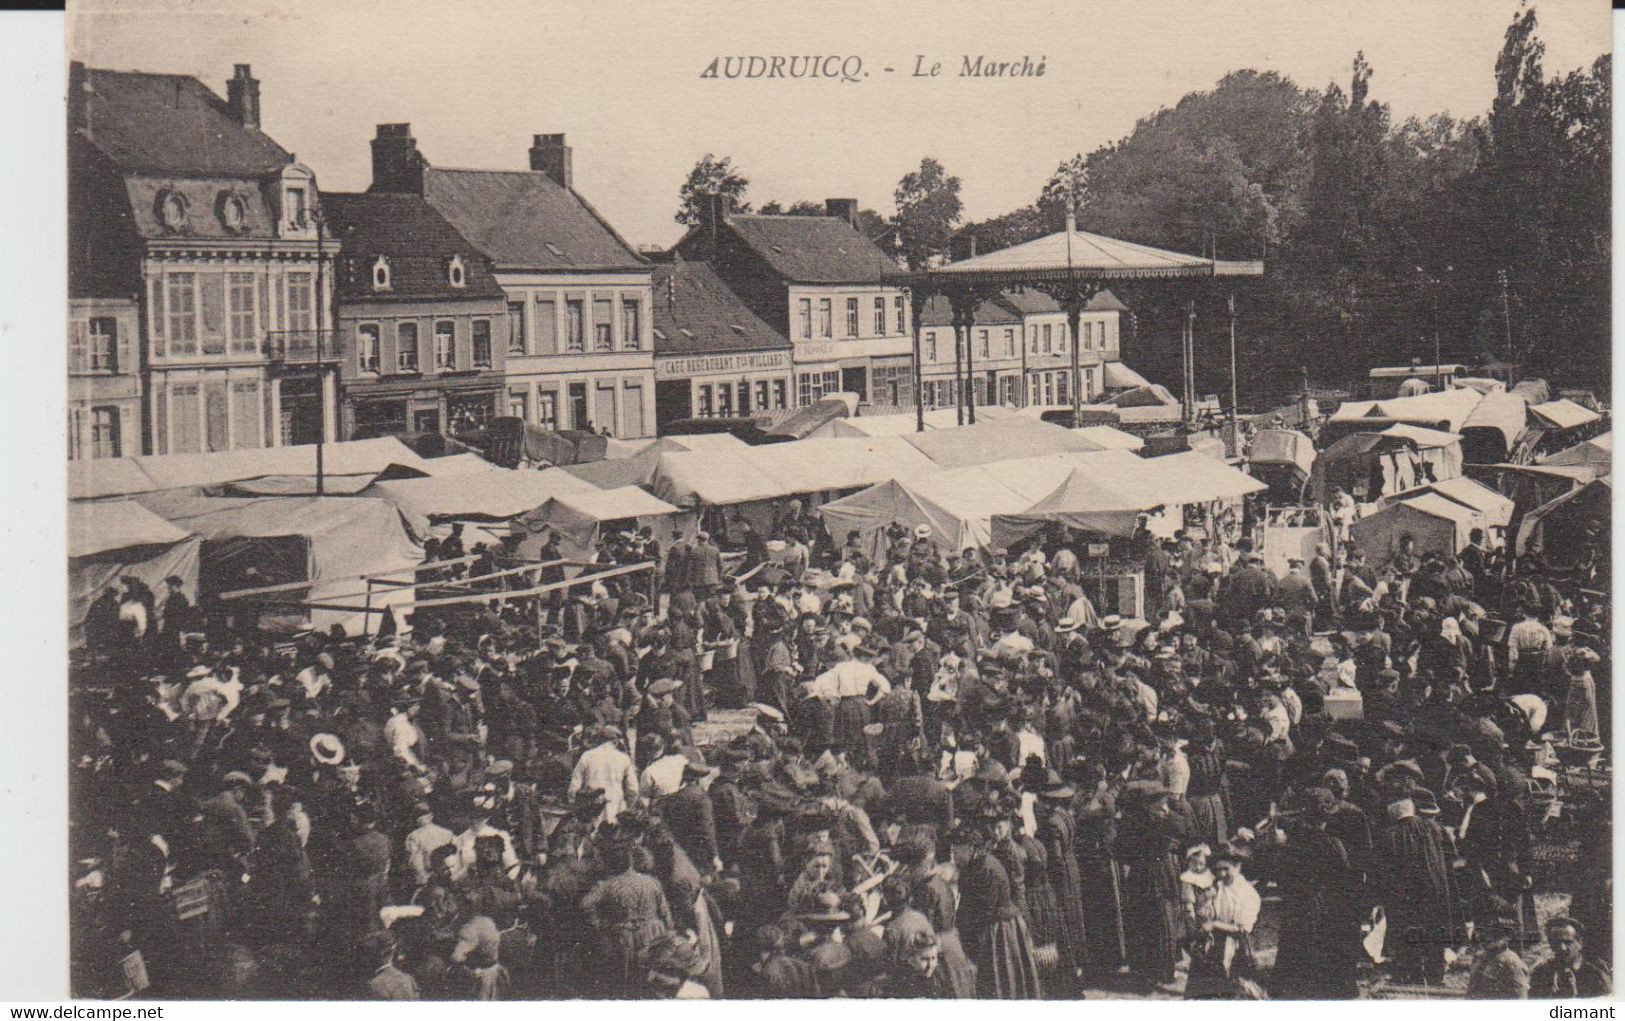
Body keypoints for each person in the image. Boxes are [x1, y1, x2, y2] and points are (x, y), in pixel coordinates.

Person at [1529, 917, 1611, 998]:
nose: (1562, 948)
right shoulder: (1541, 974)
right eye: (1556, 943)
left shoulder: (1595, 975)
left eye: (1568, 942)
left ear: (1580, 942)